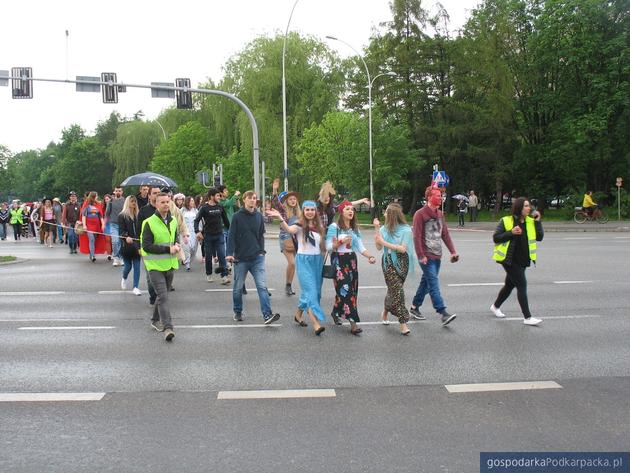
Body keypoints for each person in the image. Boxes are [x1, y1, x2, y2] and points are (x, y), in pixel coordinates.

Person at [267, 201, 327, 335]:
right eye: (307, 210)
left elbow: (323, 245)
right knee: (311, 293)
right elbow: (289, 230)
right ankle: (316, 324)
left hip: (317, 261)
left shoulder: (319, 226)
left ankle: (298, 315)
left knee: (315, 292)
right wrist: (280, 218)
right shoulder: (300, 225)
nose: (310, 212)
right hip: (304, 261)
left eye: (312, 210)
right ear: (304, 211)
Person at [226, 191, 280, 325]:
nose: (252, 200)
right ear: (244, 200)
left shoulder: (259, 217)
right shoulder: (237, 217)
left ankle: (267, 315)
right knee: (238, 288)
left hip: (257, 258)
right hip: (240, 259)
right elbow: (231, 236)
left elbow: (261, 235)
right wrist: (229, 253)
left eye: (254, 198)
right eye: (250, 198)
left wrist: (261, 251)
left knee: (262, 286)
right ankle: (238, 312)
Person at [409, 186, 459, 326]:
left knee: (426, 284)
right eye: (437, 195)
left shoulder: (440, 214)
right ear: (429, 197)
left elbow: (445, 234)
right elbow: (416, 236)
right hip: (426, 256)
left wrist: (453, 251)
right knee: (433, 284)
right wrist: (420, 255)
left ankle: (414, 307)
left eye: (441, 195)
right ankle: (443, 313)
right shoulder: (420, 214)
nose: (440, 198)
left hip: (437, 255)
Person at [325, 200, 377, 335]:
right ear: (341, 211)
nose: (350, 211)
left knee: (349, 291)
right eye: (347, 209)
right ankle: (353, 324)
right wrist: (341, 241)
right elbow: (328, 246)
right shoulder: (334, 227)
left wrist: (370, 256)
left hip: (351, 260)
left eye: (352, 210)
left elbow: (360, 247)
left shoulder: (354, 229)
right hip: (338, 260)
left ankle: (336, 311)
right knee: (346, 291)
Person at [491, 197, 544, 326]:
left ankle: (495, 306)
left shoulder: (530, 221)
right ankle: (527, 317)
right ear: (519, 208)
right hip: (509, 260)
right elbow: (496, 238)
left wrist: (538, 222)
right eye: (526, 206)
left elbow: (540, 237)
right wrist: (511, 232)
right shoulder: (506, 221)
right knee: (522, 285)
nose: (529, 208)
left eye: (529, 206)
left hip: (523, 260)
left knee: (509, 285)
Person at [140, 192, 180, 341]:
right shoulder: (148, 222)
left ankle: (154, 320)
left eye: (167, 202)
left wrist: (176, 245)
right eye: (162, 202)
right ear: (156, 204)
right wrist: (167, 249)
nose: (165, 204)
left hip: (170, 264)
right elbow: (147, 246)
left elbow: (174, 238)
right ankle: (168, 327)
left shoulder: (174, 220)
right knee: (163, 297)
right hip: (154, 265)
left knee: (163, 295)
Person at [373, 203, 416, 335]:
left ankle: (385, 311)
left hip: (402, 262)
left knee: (394, 290)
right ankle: (403, 323)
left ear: (391, 215)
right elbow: (379, 248)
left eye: (386, 212)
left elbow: (402, 249)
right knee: (398, 292)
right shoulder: (383, 230)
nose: (384, 214)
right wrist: (376, 229)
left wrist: (383, 242)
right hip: (388, 262)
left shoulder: (406, 230)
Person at [271, 178, 301, 296]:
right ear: (286, 201)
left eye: (294, 199)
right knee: (292, 263)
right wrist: (275, 190)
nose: (293, 200)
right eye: (290, 199)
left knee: (294, 264)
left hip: (296, 239)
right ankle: (288, 285)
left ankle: (288, 285)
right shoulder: (283, 210)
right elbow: (275, 202)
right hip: (285, 238)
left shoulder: (299, 212)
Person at [195, 188, 230, 284]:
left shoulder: (220, 207)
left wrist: (231, 230)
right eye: (218, 195)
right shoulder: (204, 208)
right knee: (208, 256)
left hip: (219, 235)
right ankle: (209, 274)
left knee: (222, 255)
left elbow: (226, 220)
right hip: (208, 236)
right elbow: (196, 220)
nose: (220, 197)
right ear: (211, 196)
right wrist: (197, 231)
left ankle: (224, 276)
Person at [138, 186, 161, 305]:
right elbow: (138, 230)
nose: (157, 195)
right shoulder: (143, 211)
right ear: (150, 195)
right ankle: (153, 297)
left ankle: (161, 296)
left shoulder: (165, 209)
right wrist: (138, 247)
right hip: (148, 247)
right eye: (154, 193)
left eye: (159, 193)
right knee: (150, 275)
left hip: (162, 247)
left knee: (163, 274)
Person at [118, 196, 143, 296]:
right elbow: (121, 230)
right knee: (128, 267)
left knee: (137, 266)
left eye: (135, 201)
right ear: (128, 202)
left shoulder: (138, 215)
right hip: (127, 246)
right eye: (132, 201)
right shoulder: (122, 216)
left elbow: (141, 229)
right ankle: (124, 278)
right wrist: (125, 236)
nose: (134, 203)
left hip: (137, 244)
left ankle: (135, 287)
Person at [80, 191, 106, 262]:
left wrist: (103, 224)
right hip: (89, 225)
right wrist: (84, 225)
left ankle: (92, 252)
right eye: (96, 196)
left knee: (94, 240)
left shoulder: (98, 204)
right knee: (91, 239)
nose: (97, 197)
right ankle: (92, 255)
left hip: (97, 226)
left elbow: (101, 216)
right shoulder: (86, 204)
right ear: (93, 197)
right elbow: (84, 216)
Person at [106, 186, 125, 266]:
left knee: (121, 242)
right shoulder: (111, 201)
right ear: (114, 192)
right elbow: (107, 212)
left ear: (122, 192)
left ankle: (121, 258)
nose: (118, 192)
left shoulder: (125, 201)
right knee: (115, 241)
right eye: (116, 191)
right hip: (113, 223)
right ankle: (116, 257)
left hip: (122, 224)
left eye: (119, 191)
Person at [181, 196, 199, 271]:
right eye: (191, 201)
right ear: (187, 202)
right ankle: (187, 264)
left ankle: (190, 261)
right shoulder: (182, 210)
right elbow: (179, 220)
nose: (192, 202)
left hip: (194, 232)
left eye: (193, 201)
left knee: (193, 248)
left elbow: (199, 220)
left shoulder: (195, 210)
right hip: (185, 232)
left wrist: (199, 231)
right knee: (187, 248)